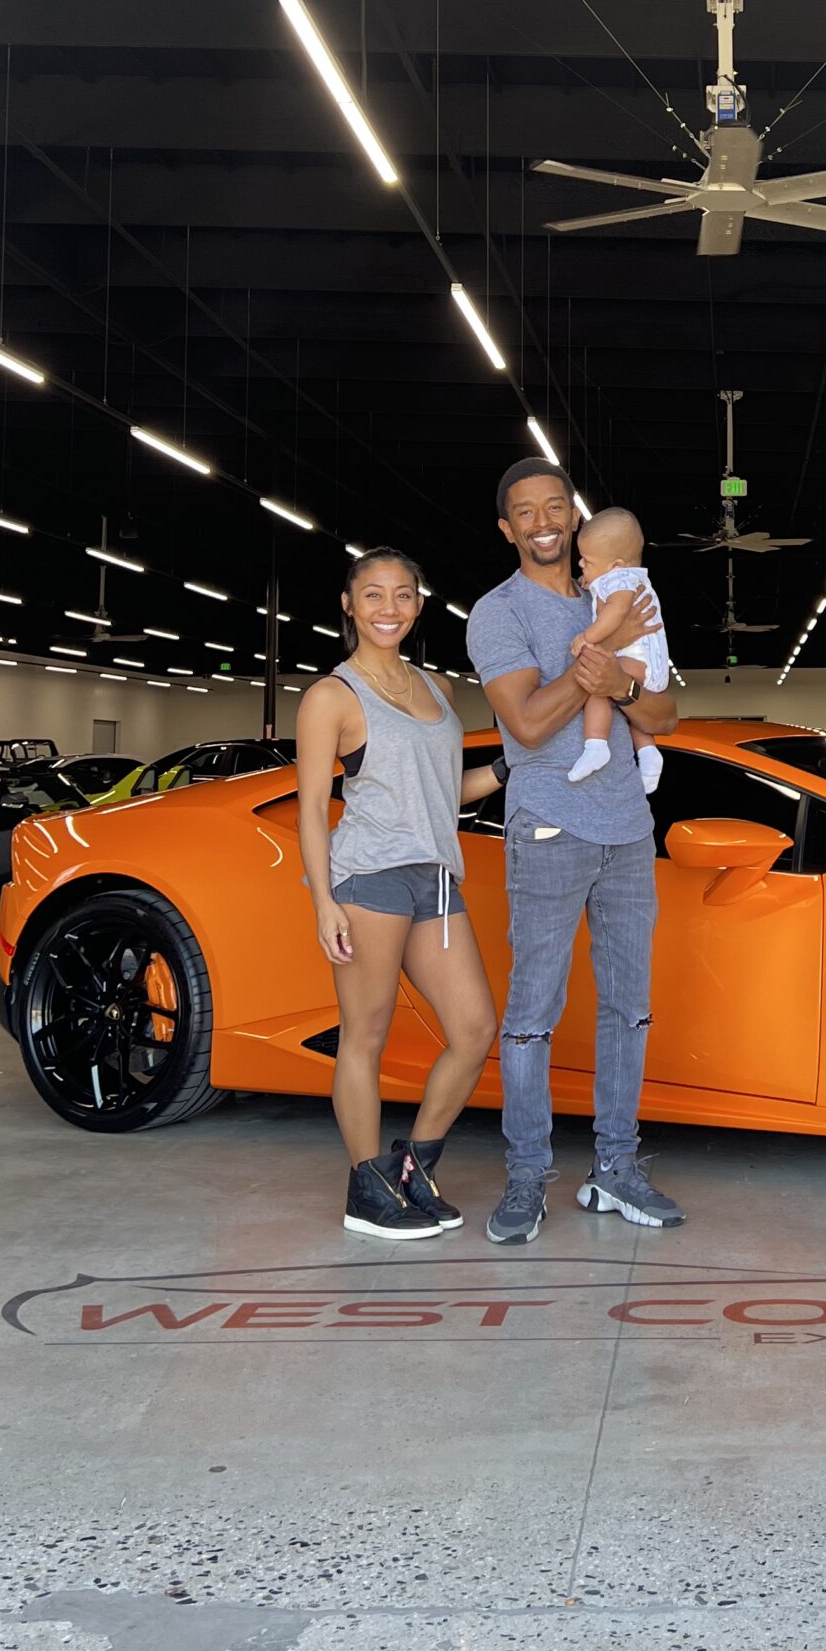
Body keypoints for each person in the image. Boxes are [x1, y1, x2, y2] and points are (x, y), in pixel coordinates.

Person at [465, 457, 683, 1244]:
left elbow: (665, 714)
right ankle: (527, 1179)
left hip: (628, 833)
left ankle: (616, 1170)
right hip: (549, 829)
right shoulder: (499, 613)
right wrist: (598, 655)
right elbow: (524, 726)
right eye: (526, 511)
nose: (544, 521)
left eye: (556, 506)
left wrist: (619, 680)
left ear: (574, 514)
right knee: (532, 1016)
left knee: (630, 1010)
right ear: (508, 527)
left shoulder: (619, 590)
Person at [296, 545, 504, 1242]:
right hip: (369, 878)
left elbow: (447, 798)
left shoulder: (438, 690)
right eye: (375, 595)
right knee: (368, 1035)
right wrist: (324, 900)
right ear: (349, 606)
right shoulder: (333, 694)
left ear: (420, 604)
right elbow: (309, 807)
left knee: (475, 1029)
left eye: (404, 595)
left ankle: (411, 1170)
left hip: (435, 877)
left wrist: (509, 767)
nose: (390, 608)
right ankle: (366, 1188)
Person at [567, 505, 671, 795]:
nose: (581, 564)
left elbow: (616, 611)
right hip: (648, 667)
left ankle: (596, 745)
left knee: (598, 687)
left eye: (587, 560)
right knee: (631, 711)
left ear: (615, 565)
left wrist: (588, 636)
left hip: (635, 659)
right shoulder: (627, 578)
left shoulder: (621, 581)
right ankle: (649, 753)